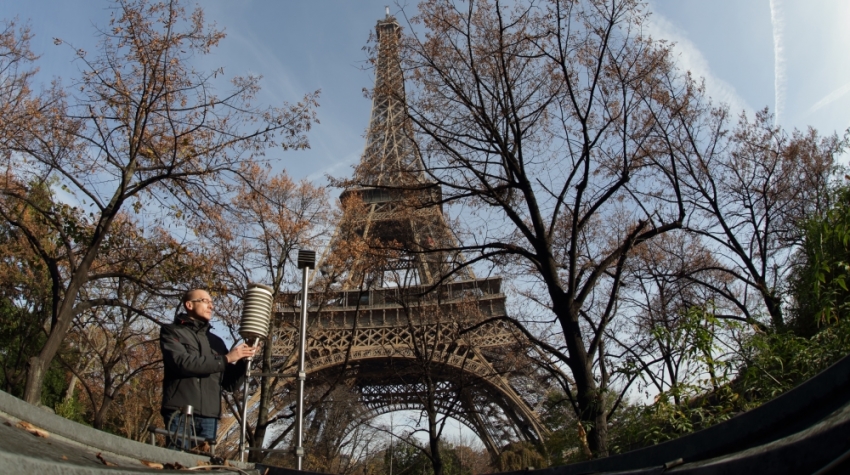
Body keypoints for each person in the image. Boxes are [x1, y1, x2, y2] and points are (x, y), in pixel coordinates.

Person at [160, 289, 256, 450]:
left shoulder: (216, 342)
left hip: (209, 417)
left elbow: (229, 384)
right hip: (180, 411)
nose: (211, 306)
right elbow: (182, 363)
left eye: (212, 303)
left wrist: (244, 360)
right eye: (205, 301)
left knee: (203, 468)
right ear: (189, 305)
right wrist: (226, 359)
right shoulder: (172, 331)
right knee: (177, 464)